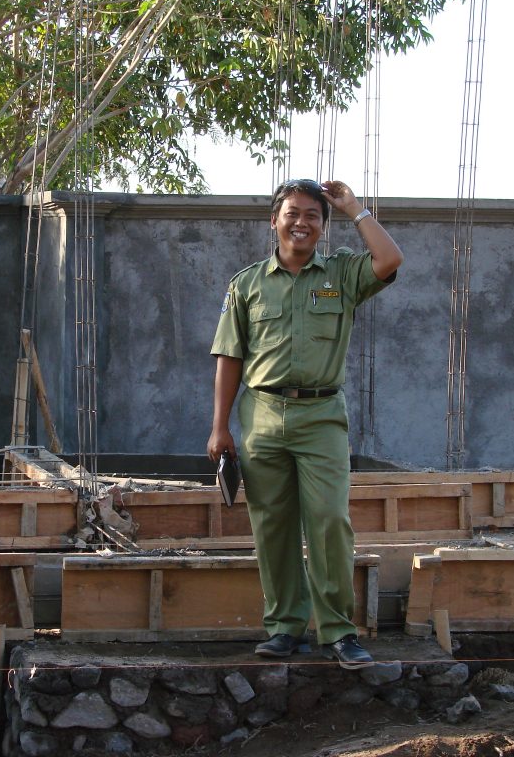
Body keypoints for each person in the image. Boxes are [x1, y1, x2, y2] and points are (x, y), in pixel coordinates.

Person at [206, 178, 403, 669]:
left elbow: (389, 259)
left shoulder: (342, 274)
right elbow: (229, 357)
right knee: (272, 526)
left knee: (330, 521)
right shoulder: (247, 283)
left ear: (323, 226)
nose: (301, 223)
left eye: (312, 215)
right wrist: (220, 426)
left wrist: (355, 208)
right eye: (292, 213)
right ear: (274, 220)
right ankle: (285, 627)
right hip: (262, 416)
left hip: (321, 418)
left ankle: (338, 631)